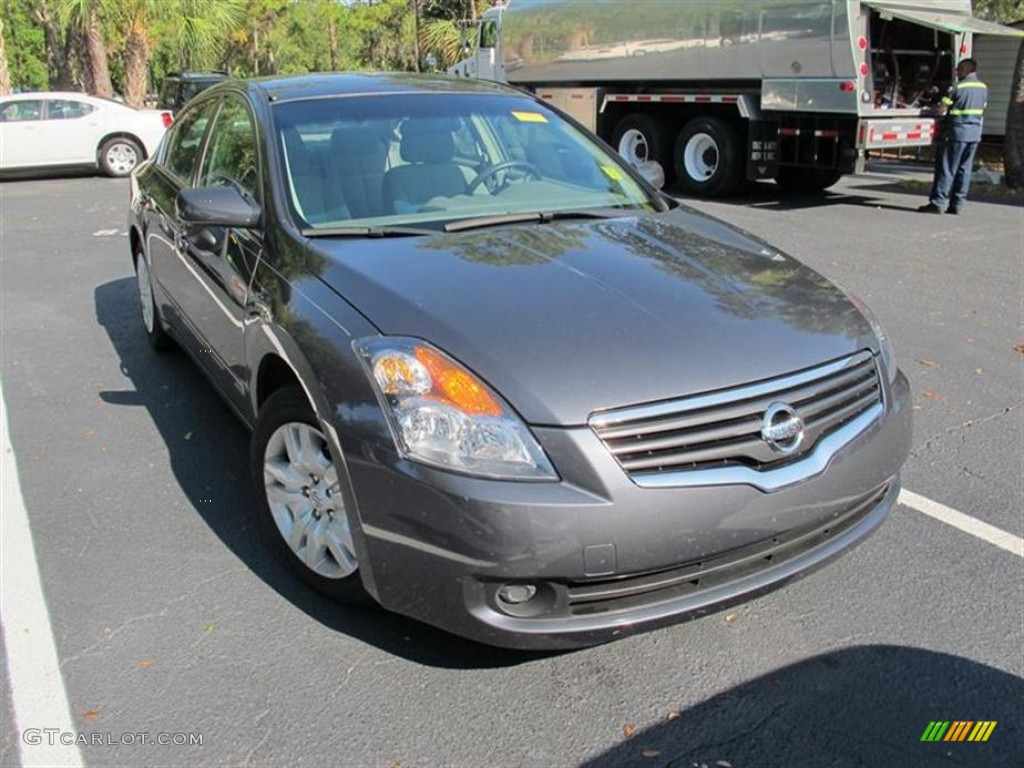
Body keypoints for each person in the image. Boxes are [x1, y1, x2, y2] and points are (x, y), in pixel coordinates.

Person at [918, 59, 988, 215]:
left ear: (964, 70)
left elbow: (941, 109)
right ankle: (957, 204)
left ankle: (937, 203)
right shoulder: (983, 87)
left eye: (958, 70)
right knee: (965, 170)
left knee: (947, 169)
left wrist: (931, 108)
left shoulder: (957, 87)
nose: (956, 73)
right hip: (974, 134)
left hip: (957, 133)